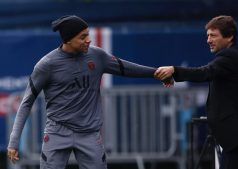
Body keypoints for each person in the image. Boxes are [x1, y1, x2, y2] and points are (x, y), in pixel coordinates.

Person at [7, 15, 170, 169]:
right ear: (68, 40)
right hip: (57, 133)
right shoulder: (46, 65)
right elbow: (26, 102)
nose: (89, 40)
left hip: (89, 134)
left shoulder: (97, 56)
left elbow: (125, 68)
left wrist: (156, 73)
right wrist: (14, 142)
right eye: (83, 37)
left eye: (88, 35)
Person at [154, 15, 238, 169]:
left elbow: (204, 72)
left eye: (213, 35)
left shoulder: (229, 57)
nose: (208, 40)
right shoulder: (237, 56)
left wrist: (174, 71)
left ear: (229, 37)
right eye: (208, 35)